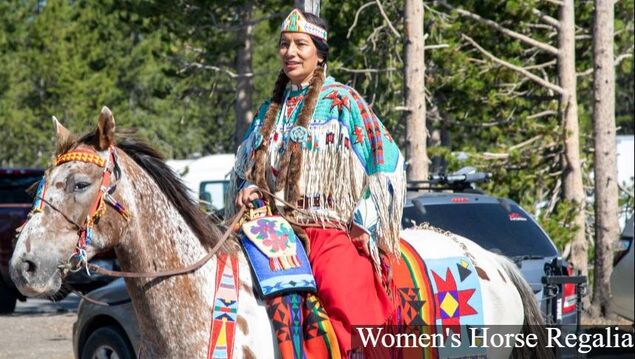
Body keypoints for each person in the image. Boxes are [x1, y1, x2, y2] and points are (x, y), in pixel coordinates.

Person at [226, 8, 405, 356]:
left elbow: (388, 161)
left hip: (327, 229)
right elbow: (242, 171)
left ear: (319, 53)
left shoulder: (342, 101)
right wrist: (247, 188)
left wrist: (364, 220)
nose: (290, 52)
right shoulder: (268, 111)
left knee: (346, 300)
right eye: (284, 44)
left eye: (300, 44)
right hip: (273, 232)